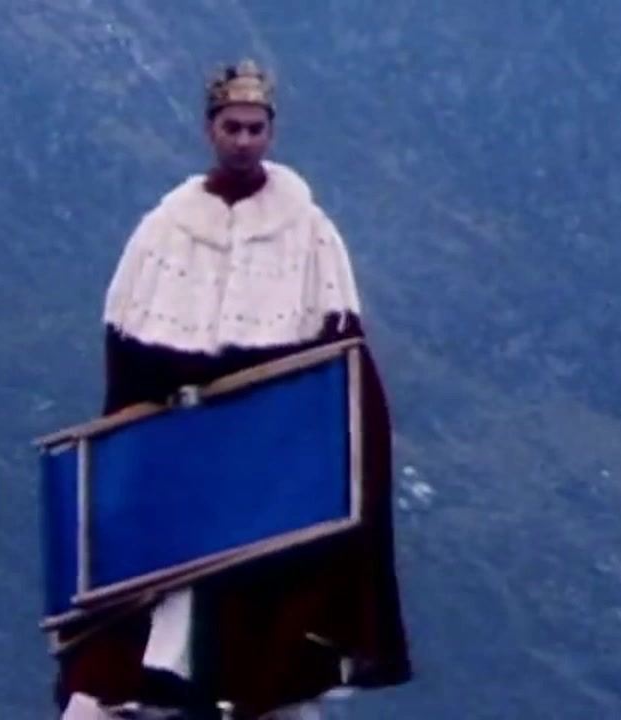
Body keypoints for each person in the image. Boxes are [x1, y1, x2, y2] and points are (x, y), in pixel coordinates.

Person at [54, 59, 412, 720]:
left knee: (264, 609)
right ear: (210, 130)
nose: (244, 140)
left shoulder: (309, 231)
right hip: (180, 452)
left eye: (255, 128)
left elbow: (341, 367)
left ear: (271, 132)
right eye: (232, 127)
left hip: (268, 465)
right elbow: (128, 364)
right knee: (162, 601)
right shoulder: (166, 229)